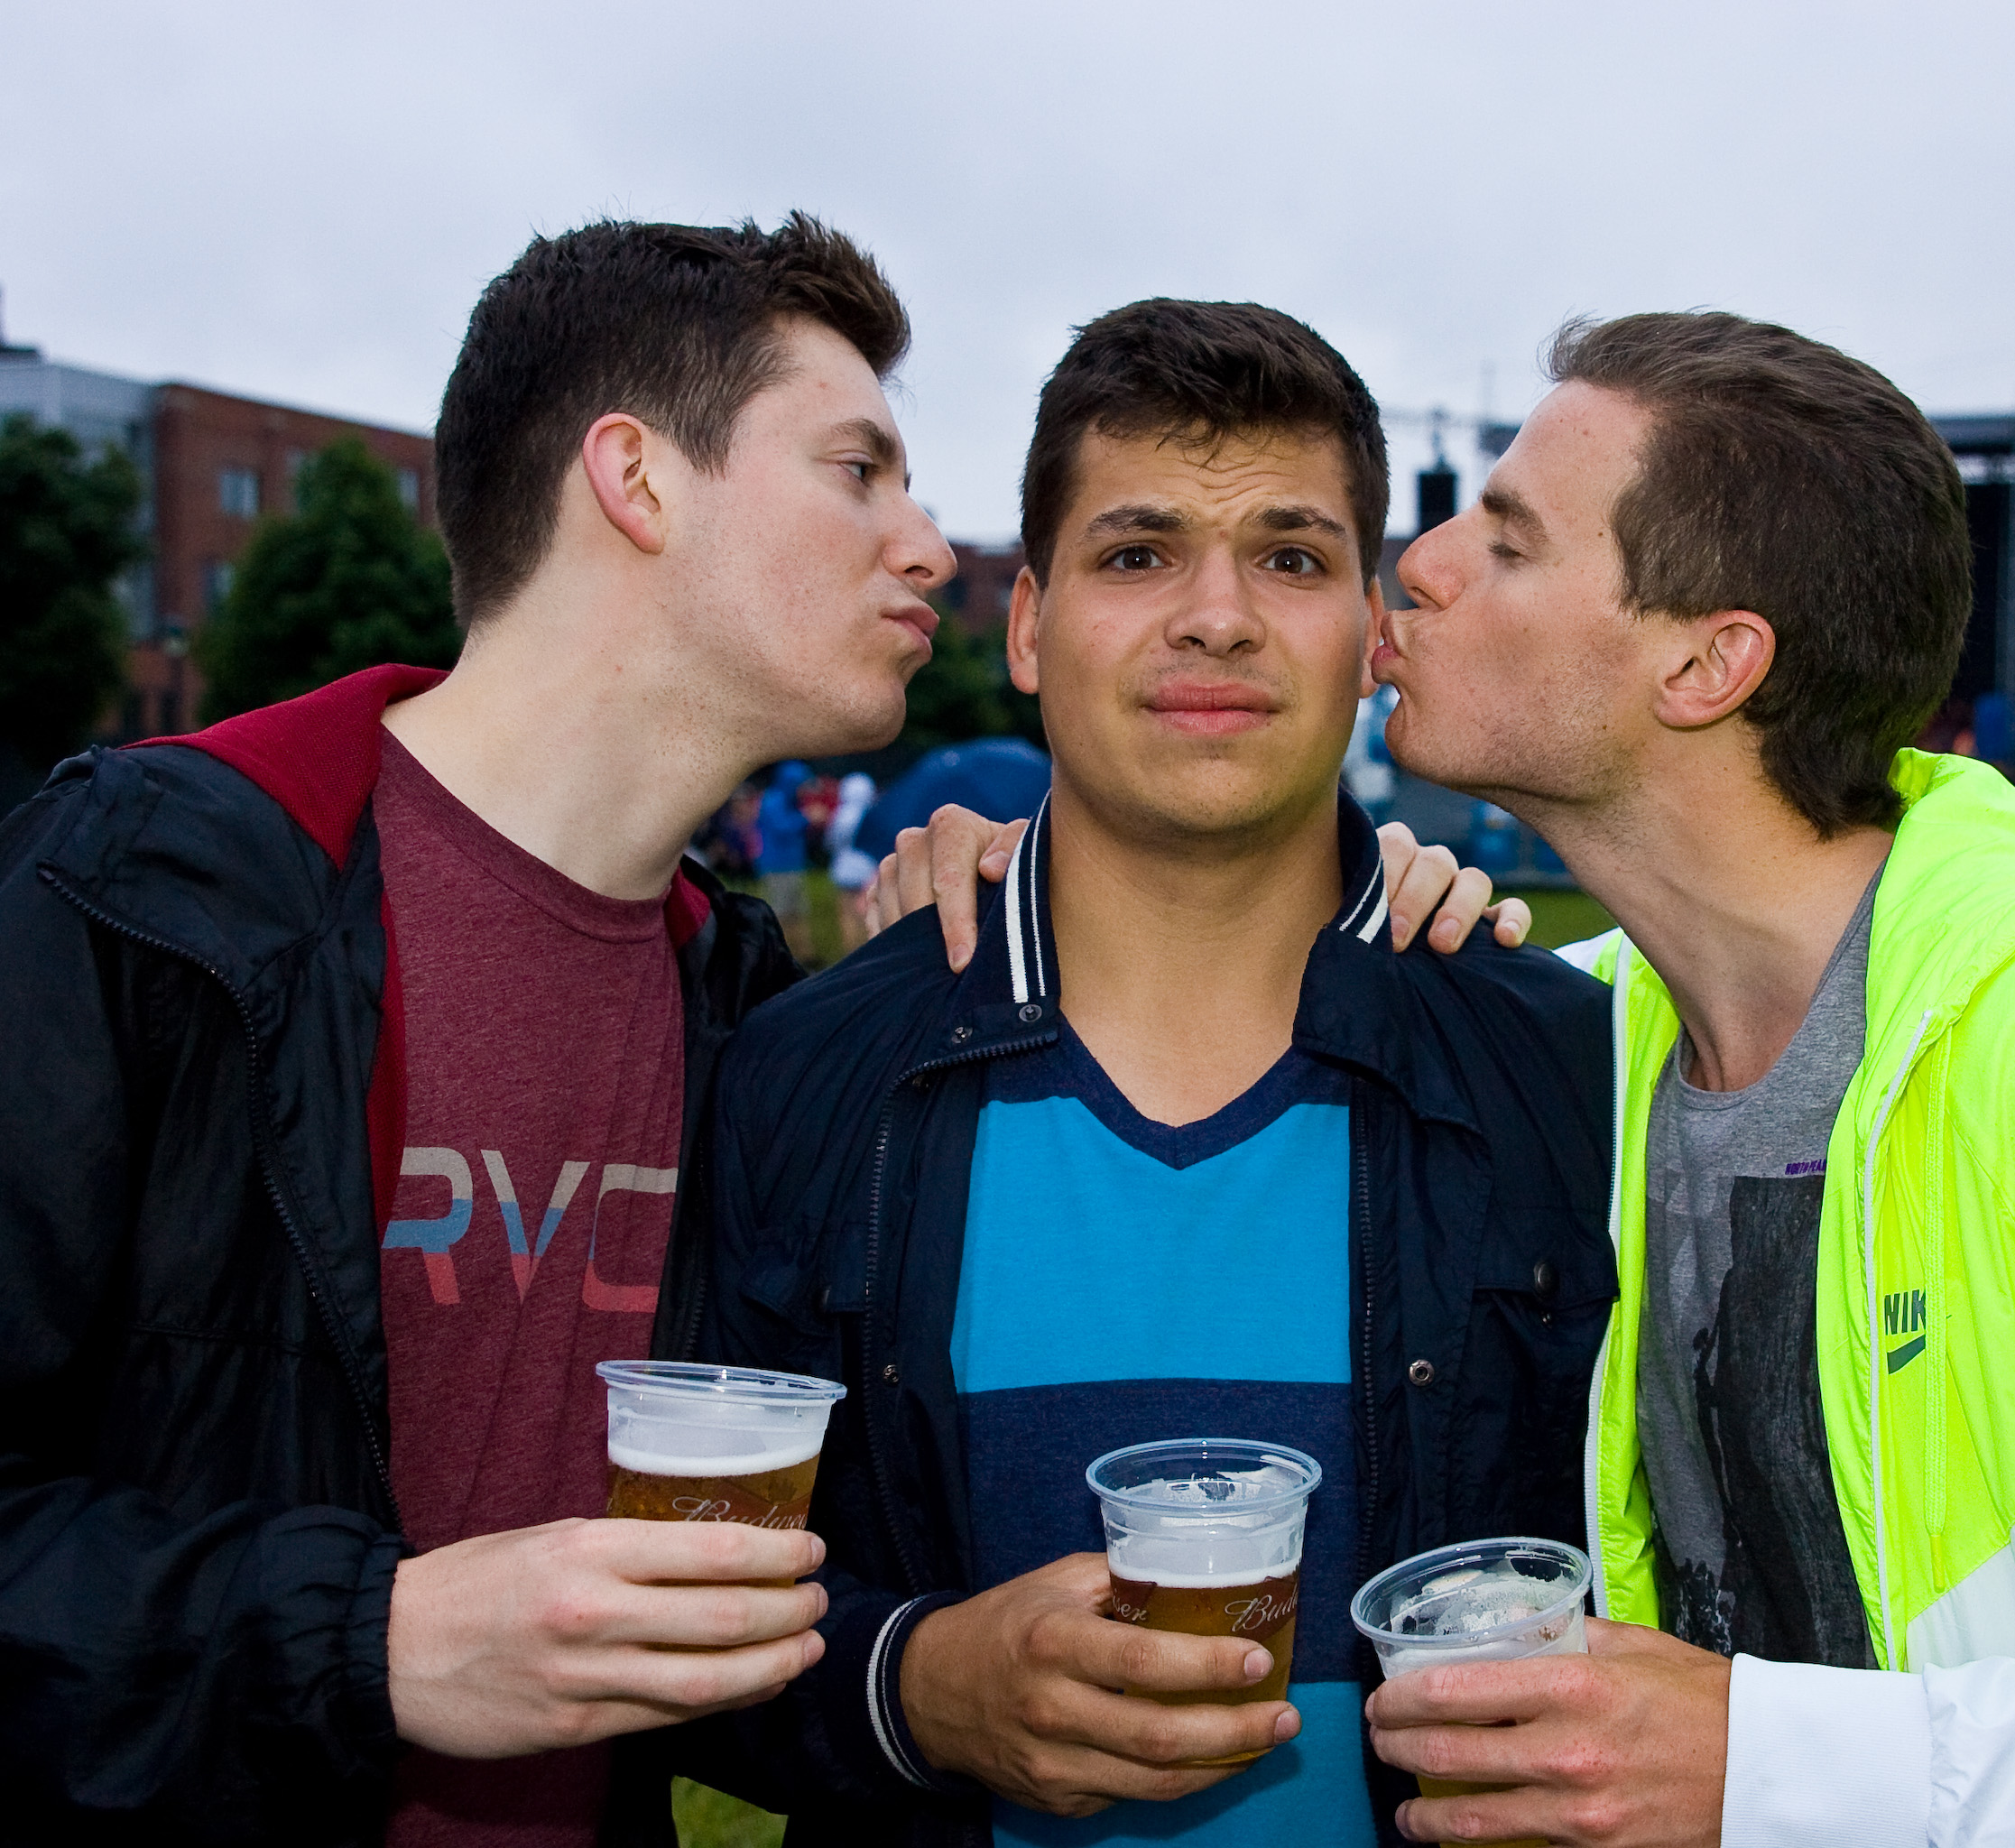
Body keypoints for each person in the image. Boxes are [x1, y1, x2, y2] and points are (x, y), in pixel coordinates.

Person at [0, 215, 957, 1845]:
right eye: (859, 468)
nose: (927, 542)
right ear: (635, 480)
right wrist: (367, 1637)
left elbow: (768, 1599)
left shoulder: (743, 1005)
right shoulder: (158, 884)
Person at [1358, 310, 2015, 1844]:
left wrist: (1775, 1764)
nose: (1423, 562)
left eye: (1511, 541)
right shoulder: (1577, 1035)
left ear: (1705, 659)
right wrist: (1001, 885)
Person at [689, 300, 1618, 1845]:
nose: (1216, 615)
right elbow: (691, 1627)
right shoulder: (809, 1069)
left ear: (1372, 634)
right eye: (1137, 554)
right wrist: (914, 1687)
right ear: (1030, 625)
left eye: (1290, 555)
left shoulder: (1563, 1071)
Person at [759, 761, 821, 965]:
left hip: (793, 865)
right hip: (777, 867)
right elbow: (782, 828)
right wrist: (807, 818)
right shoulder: (773, 801)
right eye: (802, 784)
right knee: (782, 912)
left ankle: (804, 955)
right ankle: (782, 956)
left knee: (798, 911)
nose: (805, 789)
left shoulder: (790, 802)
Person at [826, 770, 880, 952]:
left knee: (847, 914)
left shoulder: (841, 815)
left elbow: (831, 842)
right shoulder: (873, 814)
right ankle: (869, 950)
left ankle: (851, 951)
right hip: (868, 869)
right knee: (869, 912)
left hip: (843, 869)